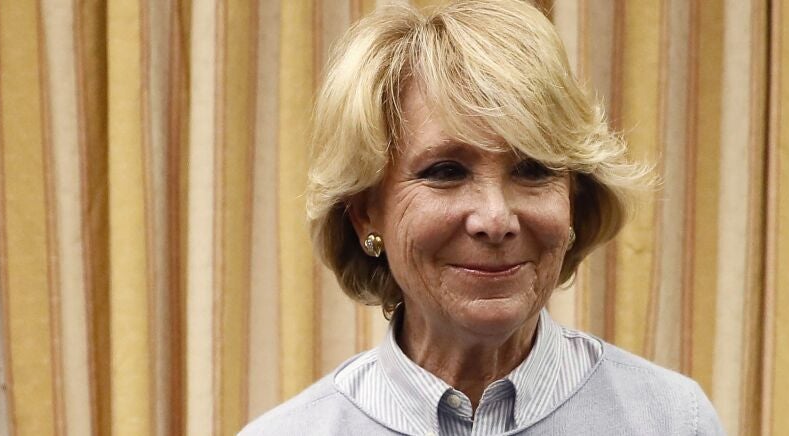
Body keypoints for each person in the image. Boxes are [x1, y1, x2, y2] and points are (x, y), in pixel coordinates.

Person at [241, 0, 724, 434]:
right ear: (366, 214)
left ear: (574, 199)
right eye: (446, 171)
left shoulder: (673, 421)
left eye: (533, 169)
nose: (495, 220)